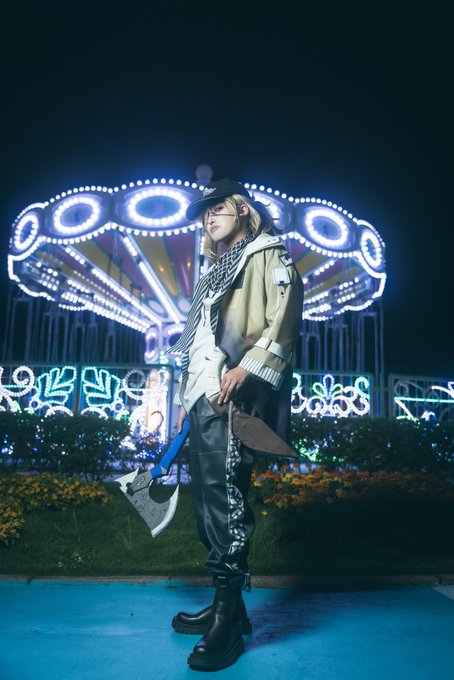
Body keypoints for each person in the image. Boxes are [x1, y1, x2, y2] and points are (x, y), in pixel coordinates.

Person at [168, 178, 304, 671]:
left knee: (225, 498)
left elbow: (284, 316)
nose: (209, 218)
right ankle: (229, 607)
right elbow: (200, 337)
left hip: (236, 391)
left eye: (218, 208)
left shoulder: (268, 253)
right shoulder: (216, 269)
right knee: (207, 500)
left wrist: (249, 367)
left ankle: (227, 623)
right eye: (204, 212)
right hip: (204, 391)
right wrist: (185, 396)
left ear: (242, 209)